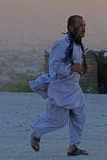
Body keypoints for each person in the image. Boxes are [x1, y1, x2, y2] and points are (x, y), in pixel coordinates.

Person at [29, 15, 89, 156]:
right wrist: (72, 68)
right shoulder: (61, 43)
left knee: (80, 115)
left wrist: (83, 69)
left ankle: (73, 147)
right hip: (60, 88)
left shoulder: (77, 43)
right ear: (70, 27)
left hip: (74, 87)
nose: (83, 28)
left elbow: (78, 63)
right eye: (80, 25)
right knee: (59, 121)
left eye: (84, 25)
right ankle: (36, 134)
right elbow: (55, 64)